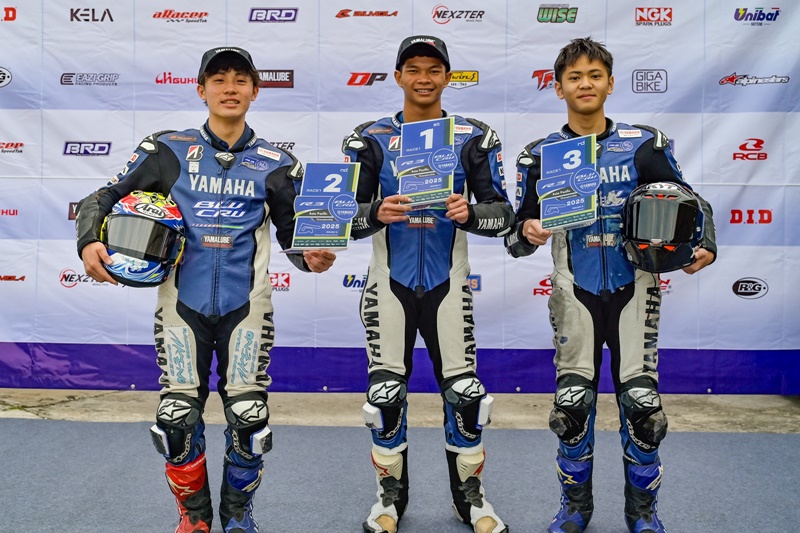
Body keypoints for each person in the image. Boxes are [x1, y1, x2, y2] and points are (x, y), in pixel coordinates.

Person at [75, 46, 336, 533]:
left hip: (247, 308)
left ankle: (237, 516)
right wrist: (89, 240)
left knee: (249, 418)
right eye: (218, 80)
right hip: (181, 305)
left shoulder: (278, 163)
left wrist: (311, 257)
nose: (229, 88)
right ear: (201, 90)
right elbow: (103, 196)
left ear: (255, 91)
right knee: (177, 420)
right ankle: (194, 518)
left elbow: (293, 236)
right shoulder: (167, 149)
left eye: (240, 80)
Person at [505, 37, 717, 533]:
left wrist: (703, 244)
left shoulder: (644, 144)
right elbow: (515, 236)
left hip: (635, 288)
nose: (586, 84)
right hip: (572, 293)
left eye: (595, 75)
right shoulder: (540, 156)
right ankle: (575, 509)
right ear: (559, 88)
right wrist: (529, 231)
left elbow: (691, 202)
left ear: (610, 83)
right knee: (572, 407)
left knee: (643, 408)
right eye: (575, 77)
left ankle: (642, 512)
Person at [342, 35, 512, 533]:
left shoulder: (473, 137)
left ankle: (471, 500)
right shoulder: (369, 138)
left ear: (447, 77)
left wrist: (469, 213)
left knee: (465, 394)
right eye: (413, 69)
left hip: (449, 285)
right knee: (385, 397)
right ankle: (388, 500)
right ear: (398, 77)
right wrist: (376, 212)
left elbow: (502, 214)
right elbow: (340, 217)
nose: (423, 78)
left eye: (433, 69)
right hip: (388, 285)